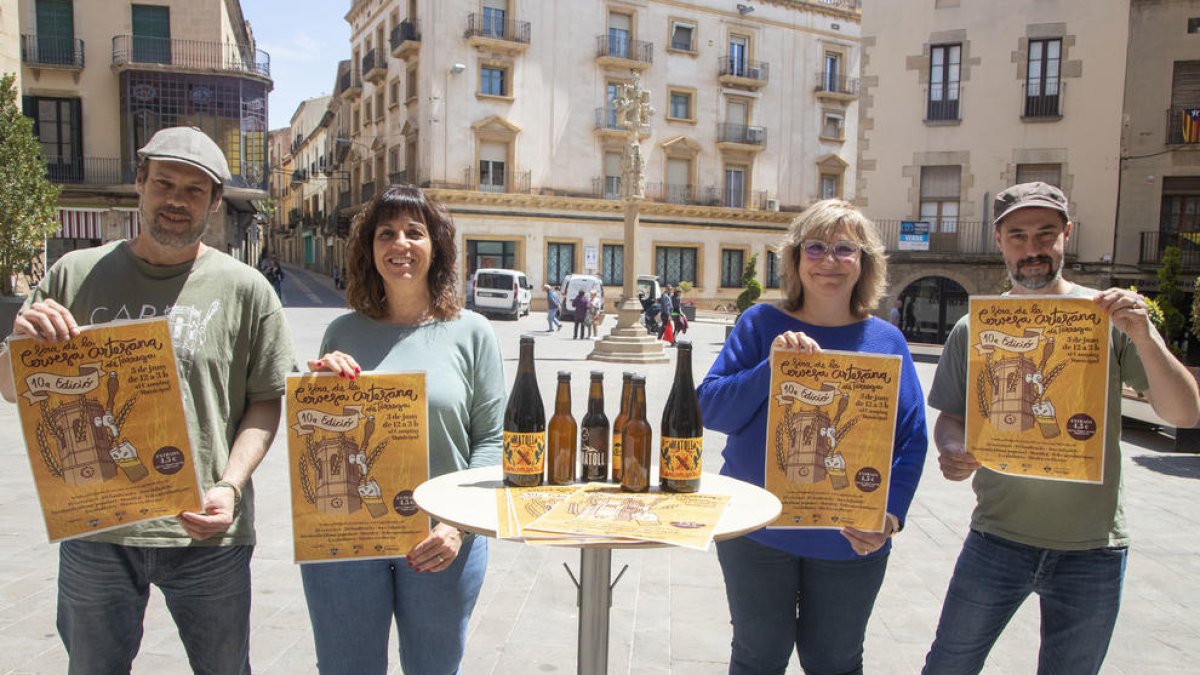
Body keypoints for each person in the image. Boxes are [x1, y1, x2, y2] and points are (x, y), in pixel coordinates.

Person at [0, 126, 295, 674]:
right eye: (164, 183)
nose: (176, 200)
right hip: (98, 531)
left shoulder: (246, 289)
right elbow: (14, 390)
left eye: (193, 191)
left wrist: (230, 485)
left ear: (212, 204)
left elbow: (264, 402)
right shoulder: (73, 274)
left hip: (208, 533)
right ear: (140, 183)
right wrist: (19, 345)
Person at [921, 182, 1200, 675]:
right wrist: (952, 449)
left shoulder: (1109, 318)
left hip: (1092, 550)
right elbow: (951, 417)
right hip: (996, 538)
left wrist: (1146, 334)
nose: (1033, 250)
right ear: (1000, 240)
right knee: (948, 665)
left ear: (1066, 235)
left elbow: (1184, 414)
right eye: (1019, 236)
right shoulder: (974, 328)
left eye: (1045, 234)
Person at [698, 199, 928, 674]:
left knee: (836, 662)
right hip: (756, 532)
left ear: (864, 263)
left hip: (849, 536)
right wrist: (772, 369)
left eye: (845, 249)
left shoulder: (887, 341)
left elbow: (910, 440)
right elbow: (710, 409)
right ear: (796, 259)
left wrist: (890, 518)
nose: (829, 260)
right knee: (758, 657)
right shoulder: (760, 324)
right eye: (816, 247)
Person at [300, 185, 505, 674]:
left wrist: (456, 526)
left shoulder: (472, 333)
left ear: (436, 246)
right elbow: (320, 438)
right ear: (369, 250)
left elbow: (492, 442)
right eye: (386, 233)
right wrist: (320, 387)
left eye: (415, 232)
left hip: (441, 541)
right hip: (349, 535)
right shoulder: (342, 332)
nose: (400, 244)